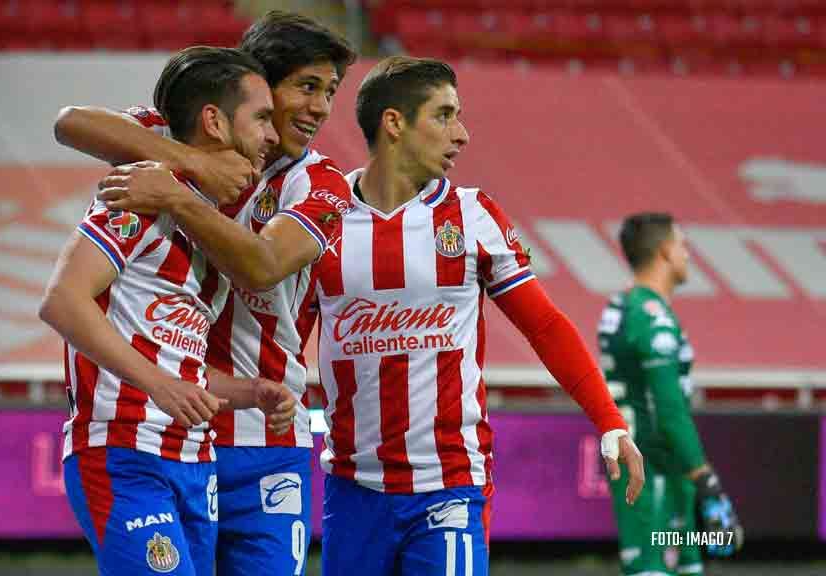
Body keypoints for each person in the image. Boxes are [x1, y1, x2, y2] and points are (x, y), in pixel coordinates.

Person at [311, 56, 646, 576]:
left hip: (448, 487)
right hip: (353, 487)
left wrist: (608, 419)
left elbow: (545, 325)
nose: (462, 134)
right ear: (394, 122)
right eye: (444, 115)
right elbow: (280, 334)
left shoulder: (473, 216)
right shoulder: (321, 219)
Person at [53, 12, 356, 575]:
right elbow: (71, 122)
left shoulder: (320, 183)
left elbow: (262, 267)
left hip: (265, 434)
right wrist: (191, 164)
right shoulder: (171, 139)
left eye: (330, 91)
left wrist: (180, 197)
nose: (319, 107)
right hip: (169, 423)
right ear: (256, 85)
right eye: (306, 87)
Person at [599, 213, 742, 576]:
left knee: (669, 566)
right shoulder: (652, 318)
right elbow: (669, 410)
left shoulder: (623, 307)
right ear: (665, 251)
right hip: (655, 473)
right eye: (683, 245)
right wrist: (707, 480)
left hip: (650, 470)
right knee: (658, 567)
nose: (688, 254)